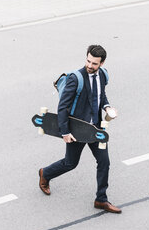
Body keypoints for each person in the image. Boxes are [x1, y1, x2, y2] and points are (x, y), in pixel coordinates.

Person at [38, 45, 122, 213]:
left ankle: (101, 199)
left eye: (94, 63)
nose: (90, 65)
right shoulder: (76, 79)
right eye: (88, 61)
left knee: (104, 162)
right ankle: (45, 174)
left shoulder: (103, 75)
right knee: (70, 163)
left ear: (102, 63)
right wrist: (65, 132)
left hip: (95, 128)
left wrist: (107, 107)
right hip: (77, 129)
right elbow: (63, 107)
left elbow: (101, 95)